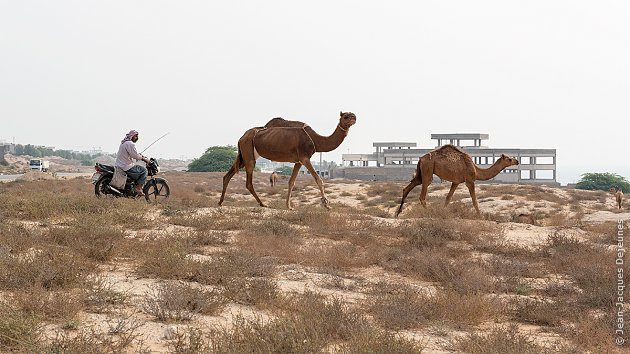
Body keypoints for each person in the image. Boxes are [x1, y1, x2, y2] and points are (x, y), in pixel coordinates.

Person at [116, 130, 150, 196]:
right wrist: (144, 159)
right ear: (132, 136)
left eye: (137, 136)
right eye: (136, 136)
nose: (137, 138)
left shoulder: (124, 143)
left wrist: (139, 155)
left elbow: (133, 154)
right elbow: (135, 155)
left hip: (120, 165)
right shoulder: (130, 144)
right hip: (126, 166)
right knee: (144, 170)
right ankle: (138, 188)